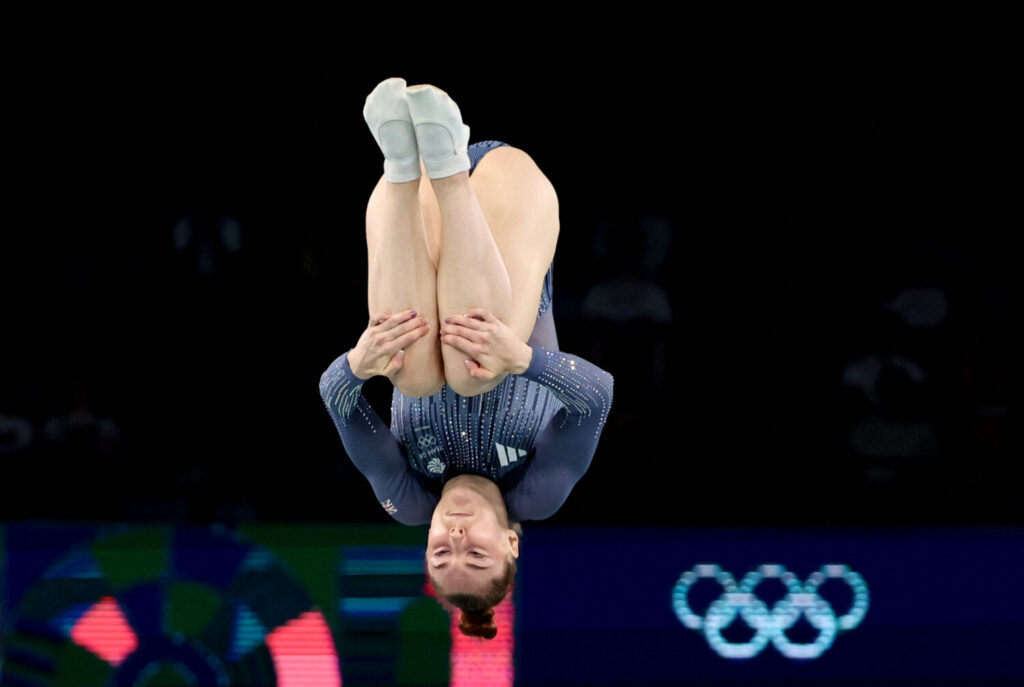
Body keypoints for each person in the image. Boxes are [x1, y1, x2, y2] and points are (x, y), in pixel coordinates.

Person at [319, 77, 613, 639]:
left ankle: (402, 163)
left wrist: (358, 363)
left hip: (418, 206)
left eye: (439, 556)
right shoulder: (539, 490)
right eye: (476, 557)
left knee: (414, 371)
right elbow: (599, 394)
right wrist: (522, 357)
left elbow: (335, 395)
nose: (454, 539)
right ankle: (446, 169)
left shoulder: (405, 498)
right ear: (511, 544)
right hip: (512, 199)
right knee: (473, 375)